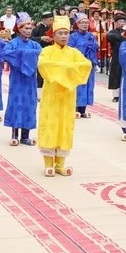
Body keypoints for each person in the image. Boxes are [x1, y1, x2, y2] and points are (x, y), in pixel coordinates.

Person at [37, 16, 92, 177]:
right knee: (50, 124)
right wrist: (68, 70)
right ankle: (48, 163)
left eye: (66, 33)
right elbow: (43, 66)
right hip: (51, 95)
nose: (63, 36)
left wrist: (62, 69)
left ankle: (60, 164)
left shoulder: (74, 53)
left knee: (65, 127)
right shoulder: (46, 51)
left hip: (68, 96)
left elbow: (86, 65)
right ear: (53, 35)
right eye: (60, 33)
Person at [2, 13, 41, 146]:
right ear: (19, 29)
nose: (28, 31)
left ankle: (25, 136)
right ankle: (14, 134)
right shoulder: (12, 43)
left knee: (29, 105)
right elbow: (5, 54)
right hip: (17, 79)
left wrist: (22, 55)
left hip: (30, 80)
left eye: (30, 29)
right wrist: (24, 55)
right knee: (16, 103)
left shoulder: (35, 45)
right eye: (25, 29)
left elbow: (42, 55)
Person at [68, 14, 98, 118]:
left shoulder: (91, 36)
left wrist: (93, 47)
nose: (85, 25)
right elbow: (70, 50)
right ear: (77, 24)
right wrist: (83, 47)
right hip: (78, 66)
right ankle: (75, 109)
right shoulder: (73, 36)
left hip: (88, 65)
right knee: (78, 86)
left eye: (86, 23)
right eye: (82, 23)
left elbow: (96, 48)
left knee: (88, 86)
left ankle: (83, 109)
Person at [30, 12, 54, 99]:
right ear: (44, 19)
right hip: (41, 52)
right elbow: (31, 39)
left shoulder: (53, 28)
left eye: (52, 19)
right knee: (41, 73)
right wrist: (41, 38)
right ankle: (39, 93)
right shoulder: (37, 28)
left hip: (52, 52)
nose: (51, 21)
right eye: (49, 20)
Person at [107, 13, 126, 102]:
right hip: (116, 56)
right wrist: (123, 37)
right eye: (120, 21)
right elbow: (110, 37)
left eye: (123, 21)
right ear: (115, 23)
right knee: (116, 74)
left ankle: (125, 93)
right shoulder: (113, 32)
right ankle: (116, 96)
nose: (122, 23)